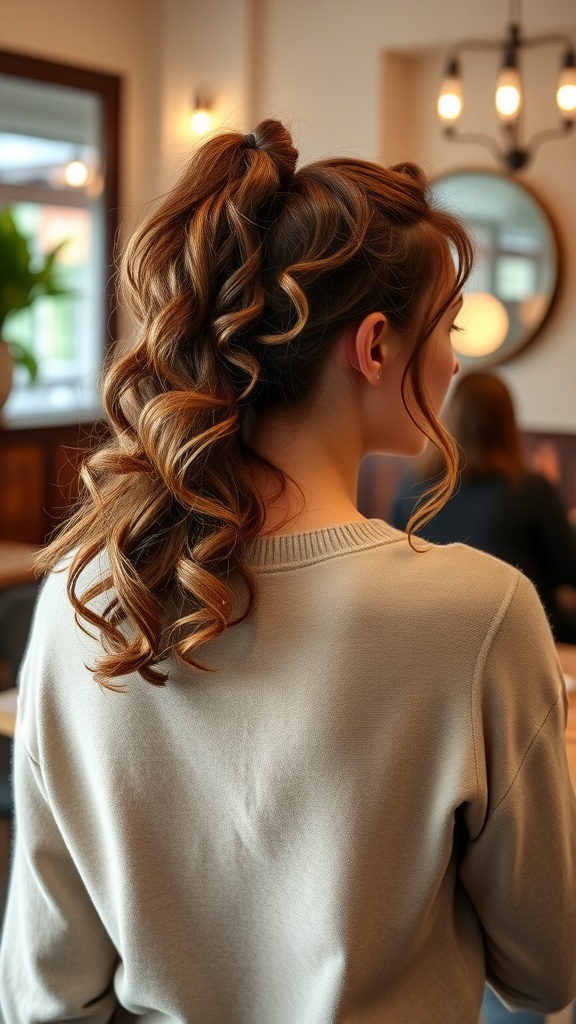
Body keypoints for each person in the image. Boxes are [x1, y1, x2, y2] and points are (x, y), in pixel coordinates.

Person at [1, 120, 575, 1024]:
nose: (458, 360)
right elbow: (545, 970)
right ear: (377, 346)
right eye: (450, 328)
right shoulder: (483, 615)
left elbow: (46, 994)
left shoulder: (84, 602)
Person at [391, 371, 576, 644]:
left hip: (430, 636)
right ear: (507, 424)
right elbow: (569, 569)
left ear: (451, 415)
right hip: (517, 639)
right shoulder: (530, 488)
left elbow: (395, 560)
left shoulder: (414, 483)